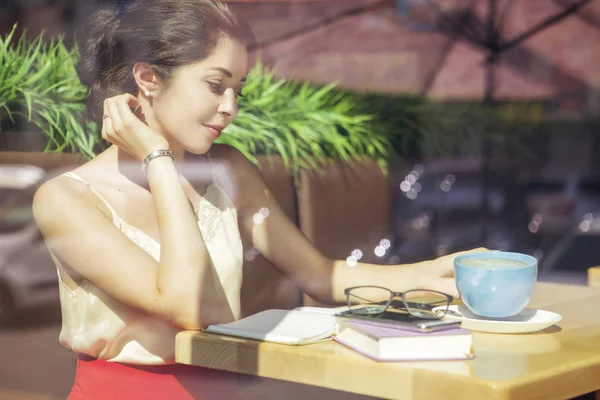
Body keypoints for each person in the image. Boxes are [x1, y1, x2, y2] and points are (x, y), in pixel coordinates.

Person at [32, 0, 486, 398]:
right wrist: (158, 158)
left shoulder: (228, 171)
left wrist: (436, 276)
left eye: (239, 90)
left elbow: (319, 276)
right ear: (147, 77)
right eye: (216, 85)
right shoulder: (67, 200)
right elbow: (189, 307)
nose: (231, 106)